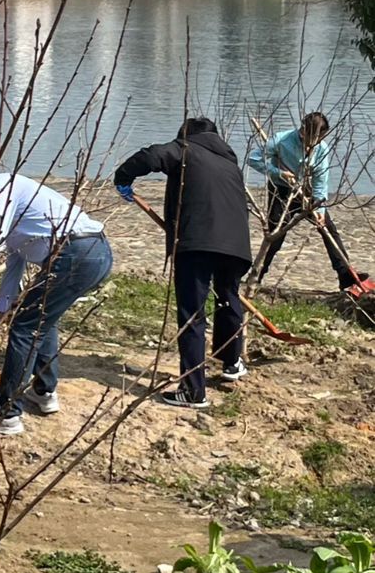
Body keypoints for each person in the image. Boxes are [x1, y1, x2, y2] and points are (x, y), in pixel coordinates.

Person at [0, 161, 114, 436]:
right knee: (40, 319)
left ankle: (6, 415)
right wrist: (0, 310)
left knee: (24, 329)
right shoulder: (15, 209)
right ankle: (44, 391)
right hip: (94, 252)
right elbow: (15, 262)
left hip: (77, 254)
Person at [116, 117, 254, 410]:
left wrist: (123, 178)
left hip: (196, 244)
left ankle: (194, 392)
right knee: (228, 299)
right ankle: (232, 362)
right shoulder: (230, 163)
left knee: (192, 314)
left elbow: (150, 156)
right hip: (236, 246)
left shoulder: (186, 149)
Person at [250, 114, 366, 292]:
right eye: (312, 138)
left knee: (328, 228)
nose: (314, 143)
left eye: (319, 138)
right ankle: (258, 274)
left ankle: (345, 275)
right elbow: (253, 159)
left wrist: (320, 209)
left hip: (305, 190)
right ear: (303, 130)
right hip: (280, 190)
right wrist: (277, 172)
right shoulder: (281, 140)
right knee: (276, 234)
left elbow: (320, 182)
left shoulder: (322, 149)